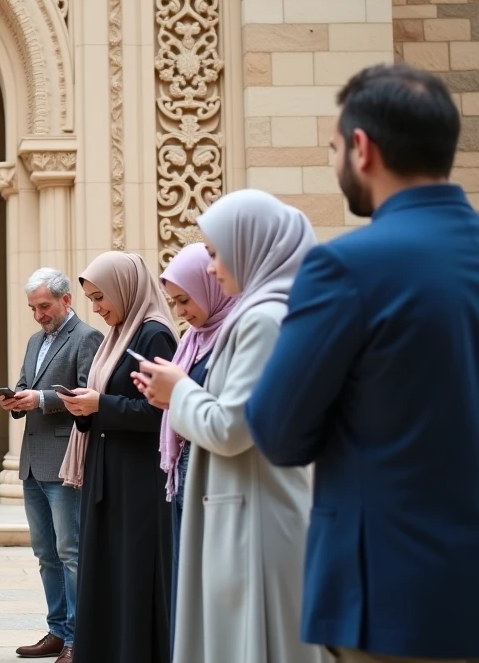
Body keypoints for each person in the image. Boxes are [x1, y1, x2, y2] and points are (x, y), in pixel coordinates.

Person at [246, 64, 479, 663]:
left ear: (361, 147)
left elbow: (277, 430)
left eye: (332, 149)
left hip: (392, 601)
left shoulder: (347, 267)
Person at [134, 193, 327, 663]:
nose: (213, 267)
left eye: (218, 253)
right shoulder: (261, 313)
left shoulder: (263, 320)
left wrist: (178, 391)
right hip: (244, 508)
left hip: (255, 517)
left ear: (252, 246)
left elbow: (232, 427)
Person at [58, 251, 177, 663]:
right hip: (108, 473)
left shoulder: (153, 334)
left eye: (100, 297)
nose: (96, 308)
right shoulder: (120, 333)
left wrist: (99, 406)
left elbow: (163, 411)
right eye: (91, 299)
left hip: (138, 479)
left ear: (123, 288)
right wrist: (87, 410)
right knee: (108, 575)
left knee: (133, 576)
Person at [0, 268, 101, 663]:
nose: (39, 314)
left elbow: (85, 393)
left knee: (70, 550)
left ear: (66, 301)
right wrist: (16, 399)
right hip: (31, 464)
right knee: (45, 553)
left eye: (44, 306)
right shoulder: (33, 340)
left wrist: (40, 400)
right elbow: (28, 383)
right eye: (33, 308)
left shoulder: (87, 337)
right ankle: (57, 632)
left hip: (64, 463)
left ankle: (79, 638)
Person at [154, 243, 236, 649]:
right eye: (174, 302)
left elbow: (231, 419)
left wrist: (177, 392)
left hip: (219, 477)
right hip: (185, 468)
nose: (181, 312)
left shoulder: (238, 332)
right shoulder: (194, 340)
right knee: (188, 578)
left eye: (185, 300)